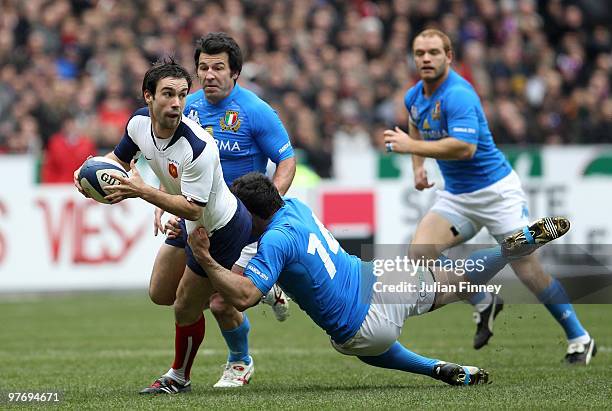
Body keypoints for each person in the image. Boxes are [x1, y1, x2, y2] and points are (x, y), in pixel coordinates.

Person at [186, 172, 571, 385]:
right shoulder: (295, 207)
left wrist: (205, 257)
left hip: (363, 325)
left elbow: (245, 296)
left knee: (359, 347)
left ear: (252, 214)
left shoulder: (274, 242)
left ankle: (435, 368)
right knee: (453, 280)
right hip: (379, 277)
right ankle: (508, 249)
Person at [382, 29, 595, 364]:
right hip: (457, 196)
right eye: (420, 52)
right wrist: (417, 166)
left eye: (433, 52)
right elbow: (414, 125)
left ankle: (579, 337)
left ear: (449, 57)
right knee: (420, 253)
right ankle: (483, 298)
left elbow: (465, 149)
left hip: (497, 192)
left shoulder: (459, 95)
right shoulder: (415, 96)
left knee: (528, 269)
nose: (425, 58)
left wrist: (412, 148)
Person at [73, 59, 255, 395]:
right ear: (148, 96)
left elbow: (193, 206)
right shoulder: (138, 124)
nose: (176, 103)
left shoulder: (197, 147)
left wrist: (144, 192)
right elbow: (119, 160)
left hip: (219, 229)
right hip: (189, 224)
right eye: (168, 94)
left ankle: (179, 376)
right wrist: (87, 171)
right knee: (160, 293)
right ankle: (235, 287)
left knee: (185, 304)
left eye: (183, 95)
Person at [149, 32, 296, 388]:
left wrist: (265, 210)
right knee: (161, 293)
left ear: (235, 73)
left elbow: (286, 161)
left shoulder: (256, 111)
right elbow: (170, 159)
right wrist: (161, 198)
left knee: (218, 301)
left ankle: (239, 362)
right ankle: (266, 287)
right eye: (203, 67)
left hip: (239, 225)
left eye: (218, 67)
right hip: (195, 219)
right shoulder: (187, 107)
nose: (209, 74)